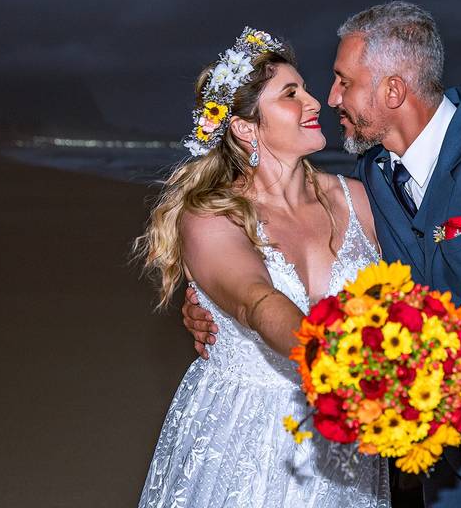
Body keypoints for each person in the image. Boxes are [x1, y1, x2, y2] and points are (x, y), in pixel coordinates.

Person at [184, 2, 461, 507]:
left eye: (341, 82)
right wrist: (208, 304)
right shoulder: (374, 176)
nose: (328, 99)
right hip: (432, 459)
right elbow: (256, 285)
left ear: (393, 90)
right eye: (302, 90)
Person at [135, 27, 390, 507]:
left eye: (307, 89)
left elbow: (421, 284)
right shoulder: (211, 215)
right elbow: (255, 300)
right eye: (291, 94)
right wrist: (333, 365)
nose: (315, 103)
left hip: (348, 445)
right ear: (246, 127)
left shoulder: (357, 199)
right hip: (247, 432)